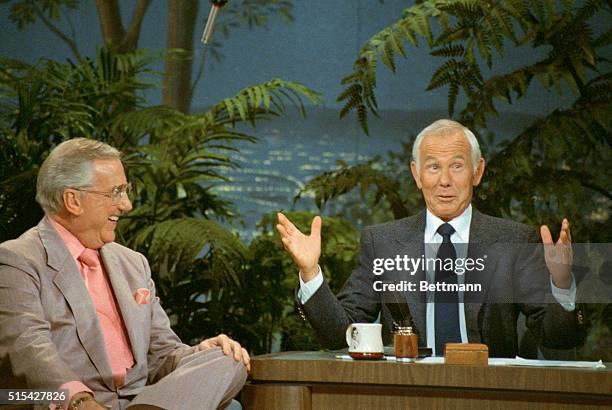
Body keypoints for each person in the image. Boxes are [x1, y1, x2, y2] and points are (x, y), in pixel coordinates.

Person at [277, 119, 585, 357]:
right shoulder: (382, 242)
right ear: (417, 174)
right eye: (433, 167)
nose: (445, 181)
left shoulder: (513, 241)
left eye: (457, 166)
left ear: (477, 172)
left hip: (489, 393)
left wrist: (561, 284)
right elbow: (341, 335)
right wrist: (310, 273)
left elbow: (558, 338)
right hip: (409, 392)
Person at [0, 139, 249, 410]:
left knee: (228, 359)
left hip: (144, 401)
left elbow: (161, 355)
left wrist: (197, 355)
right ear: (73, 200)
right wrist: (79, 402)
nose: (127, 205)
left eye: (125, 191)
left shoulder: (133, 264)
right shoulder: (18, 259)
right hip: (73, 403)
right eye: (115, 192)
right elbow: (28, 349)